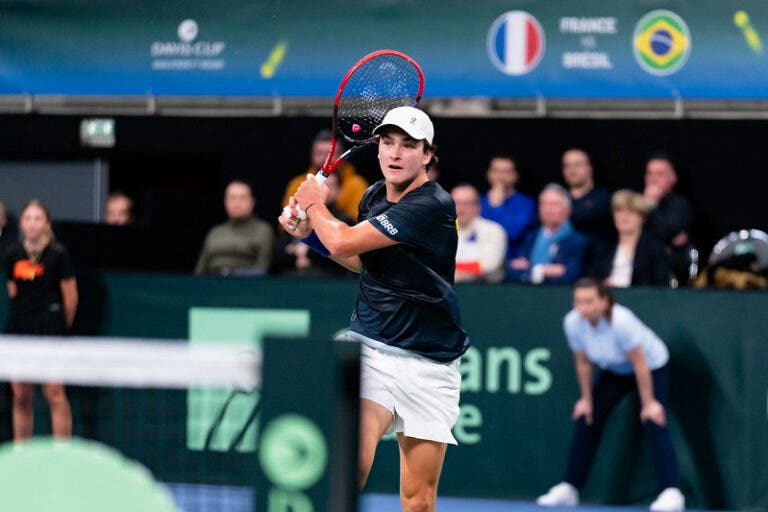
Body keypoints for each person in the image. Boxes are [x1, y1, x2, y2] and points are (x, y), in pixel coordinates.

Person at [279, 106, 468, 512]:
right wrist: (311, 237)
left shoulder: (434, 204)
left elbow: (344, 241)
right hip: (371, 350)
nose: (395, 154)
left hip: (431, 363)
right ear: (377, 147)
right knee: (349, 469)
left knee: (417, 501)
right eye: (387, 143)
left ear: (428, 155)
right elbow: (362, 262)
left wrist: (314, 205)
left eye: (408, 145)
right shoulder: (372, 196)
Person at [537, 278, 685, 511]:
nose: (583, 307)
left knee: (653, 419)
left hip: (650, 366)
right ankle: (570, 488)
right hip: (615, 370)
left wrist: (649, 403)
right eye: (578, 302)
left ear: (605, 301)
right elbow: (583, 363)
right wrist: (586, 399)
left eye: (589, 301)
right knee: (588, 416)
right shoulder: (573, 322)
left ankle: (671, 492)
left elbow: (640, 363)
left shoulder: (621, 321)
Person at [4, 199, 77, 441]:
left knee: (54, 392)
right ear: (22, 224)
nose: (32, 223)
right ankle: (21, 451)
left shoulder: (59, 254)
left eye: (38, 218)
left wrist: (58, 327)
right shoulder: (12, 254)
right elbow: (12, 290)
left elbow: (71, 296)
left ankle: (62, 454)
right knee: (21, 395)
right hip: (20, 329)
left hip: (50, 328)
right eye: (27, 218)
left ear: (47, 224)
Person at [271, 172, 354, 278]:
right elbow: (278, 255)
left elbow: (350, 259)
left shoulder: (347, 220)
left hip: (330, 282)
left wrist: (307, 252)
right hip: (293, 280)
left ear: (340, 191)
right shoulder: (298, 214)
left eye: (331, 185)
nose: (326, 189)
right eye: (322, 184)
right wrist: (304, 253)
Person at [584, 190, 670, 287]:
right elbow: (590, 277)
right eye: (619, 211)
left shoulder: (654, 247)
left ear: (642, 217)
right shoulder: (602, 244)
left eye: (631, 212)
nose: (624, 217)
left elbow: (660, 283)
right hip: (606, 297)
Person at [506, 184, 587, 285]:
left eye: (554, 204)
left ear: (568, 210)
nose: (548, 209)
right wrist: (542, 271)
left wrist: (530, 271)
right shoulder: (531, 237)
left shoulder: (578, 241)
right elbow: (512, 272)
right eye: (544, 204)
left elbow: (571, 276)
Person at [281, 128, 369, 220]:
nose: (325, 159)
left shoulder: (356, 184)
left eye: (331, 153)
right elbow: (286, 224)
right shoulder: (297, 183)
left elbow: (359, 222)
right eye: (319, 153)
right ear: (311, 155)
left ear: (341, 154)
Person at [195, 181, 274, 276]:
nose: (236, 203)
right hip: (210, 284)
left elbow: (262, 269)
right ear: (225, 202)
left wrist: (230, 273)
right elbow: (199, 270)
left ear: (252, 202)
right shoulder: (215, 232)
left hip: (245, 286)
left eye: (242, 198)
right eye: (232, 198)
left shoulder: (263, 230)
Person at [642, 153, 695, 285]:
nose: (653, 179)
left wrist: (651, 206)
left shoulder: (680, 204)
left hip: (669, 272)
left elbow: (668, 232)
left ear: (673, 178)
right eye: (650, 173)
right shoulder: (633, 204)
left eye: (659, 174)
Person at [479, 155, 536, 260]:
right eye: (496, 171)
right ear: (488, 174)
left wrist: (497, 207)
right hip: (481, 258)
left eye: (506, 172)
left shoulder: (526, 203)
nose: (500, 176)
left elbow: (513, 233)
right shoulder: (477, 202)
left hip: (511, 261)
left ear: (516, 176)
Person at [451, 184, 507, 283]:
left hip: (486, 290)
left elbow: (488, 266)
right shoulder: (439, 231)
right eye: (456, 203)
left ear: (478, 207)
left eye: (466, 203)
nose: (460, 209)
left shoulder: (494, 230)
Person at [562, 149, 613, 242]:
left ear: (590, 168)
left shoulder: (603, 198)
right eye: (567, 166)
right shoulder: (559, 199)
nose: (572, 170)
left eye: (577, 164)